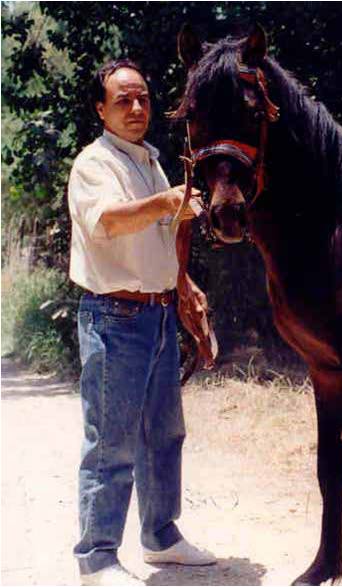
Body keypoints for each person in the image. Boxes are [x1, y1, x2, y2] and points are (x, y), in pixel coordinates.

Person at [67, 58, 215, 586]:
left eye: (144, 98)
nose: (136, 108)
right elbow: (107, 220)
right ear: (100, 108)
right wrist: (165, 202)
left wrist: (183, 284)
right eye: (123, 99)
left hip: (155, 314)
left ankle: (162, 537)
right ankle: (97, 557)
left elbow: (160, 237)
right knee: (111, 442)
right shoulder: (94, 164)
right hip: (114, 317)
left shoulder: (150, 159)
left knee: (164, 433)